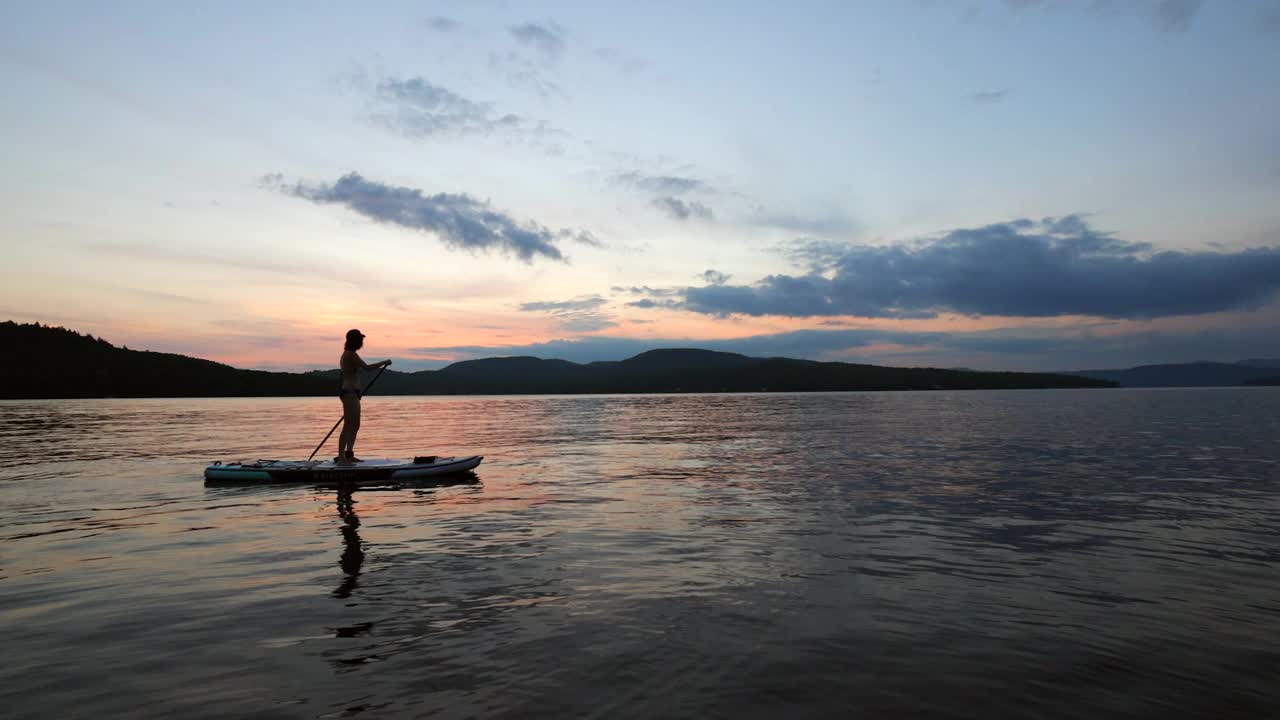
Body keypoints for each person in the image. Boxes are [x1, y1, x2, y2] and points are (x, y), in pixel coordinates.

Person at [337, 329, 391, 465]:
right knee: (348, 425)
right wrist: (383, 362)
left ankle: (349, 455)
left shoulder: (350, 354)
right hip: (349, 393)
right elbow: (367, 368)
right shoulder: (350, 354)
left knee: (355, 425)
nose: (362, 342)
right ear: (355, 341)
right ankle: (342, 458)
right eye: (360, 340)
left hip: (353, 394)